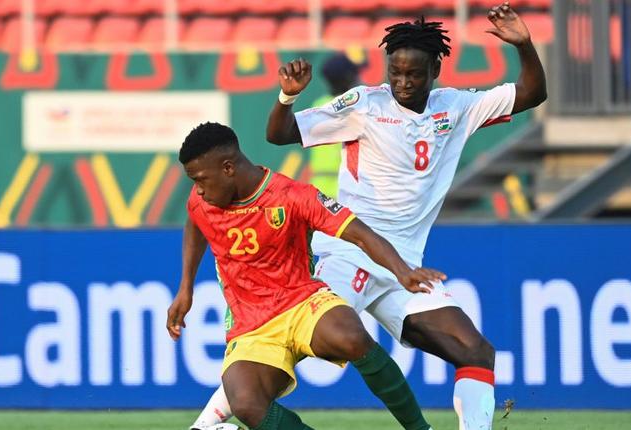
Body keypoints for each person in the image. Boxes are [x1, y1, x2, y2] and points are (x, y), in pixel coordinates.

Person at [196, 2, 547, 429]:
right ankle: (207, 423)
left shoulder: (456, 107)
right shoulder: (364, 104)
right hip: (346, 252)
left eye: (413, 74)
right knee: (283, 345)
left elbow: (532, 94)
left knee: (474, 350)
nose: (401, 82)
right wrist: (288, 97)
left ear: (435, 68)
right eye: (394, 72)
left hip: (403, 268)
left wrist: (525, 45)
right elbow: (279, 133)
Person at [168, 122, 442, 430]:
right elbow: (195, 221)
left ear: (228, 167)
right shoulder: (202, 199)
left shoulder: (291, 196)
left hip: (301, 302)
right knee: (246, 404)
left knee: (351, 336)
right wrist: (185, 288)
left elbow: (359, 234)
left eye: (201, 179)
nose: (199, 189)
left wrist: (402, 272)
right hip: (251, 326)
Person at [308, 52, 362, 198]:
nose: (360, 78)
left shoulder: (318, 106)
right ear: (349, 78)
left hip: (319, 187)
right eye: (356, 74)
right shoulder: (355, 108)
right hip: (347, 187)